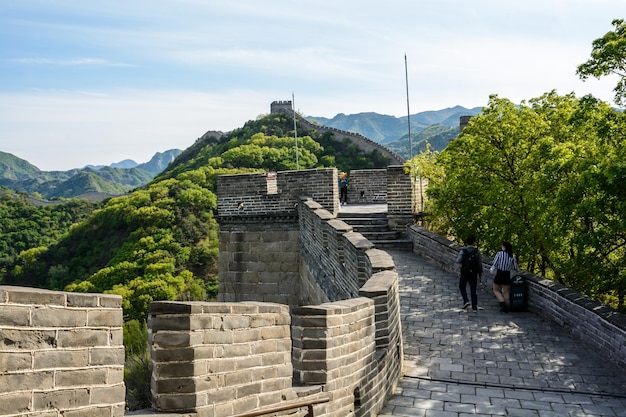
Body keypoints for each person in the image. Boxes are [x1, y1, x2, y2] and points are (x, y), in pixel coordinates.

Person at [490, 241, 518, 313]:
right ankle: (507, 306)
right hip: (507, 274)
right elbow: (515, 268)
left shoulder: (499, 254)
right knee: (505, 291)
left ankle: (502, 303)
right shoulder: (512, 256)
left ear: (504, 247)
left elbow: (495, 263)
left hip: (499, 273)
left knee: (495, 289)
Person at [456, 235, 482, 312]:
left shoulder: (463, 251)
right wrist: (480, 272)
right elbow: (480, 263)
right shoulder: (477, 252)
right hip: (473, 273)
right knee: (473, 289)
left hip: (464, 271)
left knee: (462, 286)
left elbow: (458, 260)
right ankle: (474, 306)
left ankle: (466, 300)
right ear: (474, 242)